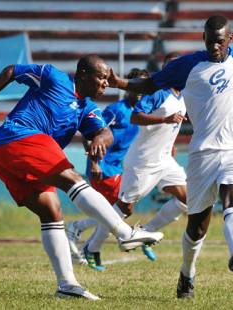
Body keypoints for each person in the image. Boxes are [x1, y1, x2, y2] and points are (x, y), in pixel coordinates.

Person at [107, 15, 233, 299]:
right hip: (203, 154)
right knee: (197, 227)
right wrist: (120, 83)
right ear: (203, 39)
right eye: (210, 41)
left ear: (230, 40)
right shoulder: (187, 65)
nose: (214, 47)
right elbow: (150, 85)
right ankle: (187, 275)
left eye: (220, 41)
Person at [0, 55, 163, 301]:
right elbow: (11, 69)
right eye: (101, 77)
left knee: (52, 212)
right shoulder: (53, 76)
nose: (105, 83)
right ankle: (125, 233)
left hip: (5, 156)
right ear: (83, 75)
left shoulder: (87, 108)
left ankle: (67, 285)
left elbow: (105, 131)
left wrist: (101, 137)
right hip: (18, 137)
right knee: (72, 178)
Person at [83, 52, 188, 270]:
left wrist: (171, 142)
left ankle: (147, 231)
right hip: (143, 161)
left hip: (165, 159)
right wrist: (165, 119)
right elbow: (135, 116)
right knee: (124, 208)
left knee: (188, 198)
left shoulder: (182, 94)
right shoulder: (158, 91)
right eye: (171, 66)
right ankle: (91, 247)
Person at [65, 68, 153, 268]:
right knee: (121, 208)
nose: (139, 91)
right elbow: (92, 133)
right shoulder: (117, 110)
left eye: (143, 86)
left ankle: (77, 229)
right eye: (135, 85)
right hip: (103, 167)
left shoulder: (142, 112)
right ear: (128, 87)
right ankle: (82, 234)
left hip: (118, 168)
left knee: (119, 209)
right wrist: (95, 162)